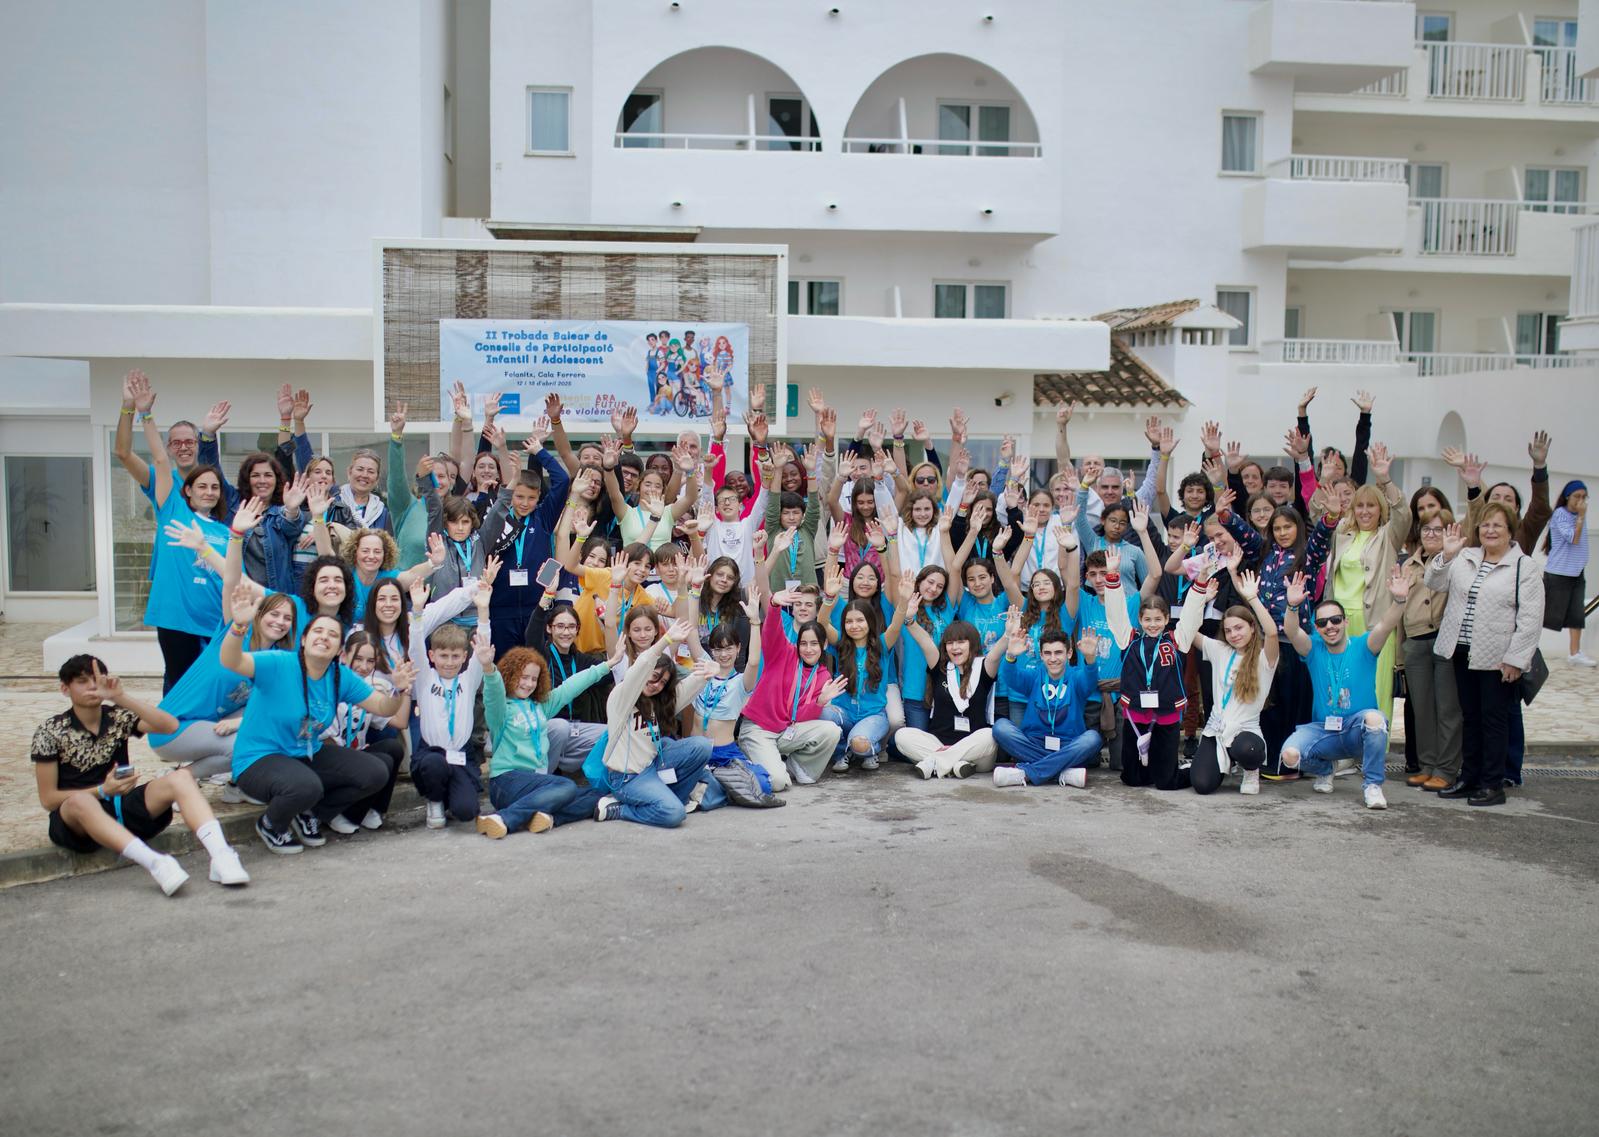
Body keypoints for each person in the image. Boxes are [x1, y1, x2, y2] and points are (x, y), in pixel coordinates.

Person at [220, 588, 415, 853]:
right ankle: (271, 825)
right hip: (258, 758)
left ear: (339, 650)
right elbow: (231, 661)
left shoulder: (339, 676)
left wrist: (399, 690)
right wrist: (239, 626)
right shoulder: (278, 663)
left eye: (333, 634)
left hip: (305, 752)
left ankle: (310, 812)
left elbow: (382, 707)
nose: (324, 637)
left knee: (375, 772)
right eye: (318, 631)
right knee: (306, 786)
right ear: (303, 639)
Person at [32, 655, 249, 893]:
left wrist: (120, 697)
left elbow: (170, 726)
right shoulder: (50, 731)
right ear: (65, 689)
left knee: (180, 778)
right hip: (76, 823)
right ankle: (156, 863)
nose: (92, 686)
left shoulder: (116, 716)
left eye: (97, 679)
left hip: (120, 807)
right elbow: (48, 799)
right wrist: (101, 790)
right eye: (82, 681)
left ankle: (221, 855)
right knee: (81, 801)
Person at [112, 371, 231, 691]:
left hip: (210, 606)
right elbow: (125, 453)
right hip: (176, 601)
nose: (184, 447)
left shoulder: (216, 502)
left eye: (190, 441)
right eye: (176, 442)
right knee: (179, 681)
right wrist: (134, 409)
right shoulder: (166, 490)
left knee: (211, 683)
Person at [1426, 509, 1545, 807]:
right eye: (1485, 525)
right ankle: (1469, 778)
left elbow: (1531, 618)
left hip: (1498, 657)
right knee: (1470, 717)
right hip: (1461, 650)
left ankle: (1492, 784)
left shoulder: (1524, 566)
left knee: (1494, 720)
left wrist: (1516, 659)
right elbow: (1434, 582)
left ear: (1510, 530)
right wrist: (1447, 555)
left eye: (1498, 526)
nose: (1490, 530)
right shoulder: (1466, 557)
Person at [1279, 566, 1410, 810]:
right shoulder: (1313, 649)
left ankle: (1372, 785)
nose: (1330, 626)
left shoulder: (1364, 646)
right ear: (1317, 627)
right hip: (1324, 730)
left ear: (1345, 621)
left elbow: (1385, 625)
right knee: (1289, 756)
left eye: (1335, 620)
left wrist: (1400, 600)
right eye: (1322, 622)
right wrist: (1292, 606)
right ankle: (1325, 769)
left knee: (1375, 719)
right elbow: (1292, 631)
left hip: (1356, 730)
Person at [592, 621, 731, 827]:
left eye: (662, 682)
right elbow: (641, 667)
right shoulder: (622, 697)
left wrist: (714, 668)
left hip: (653, 765)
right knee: (674, 814)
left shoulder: (658, 702)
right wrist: (665, 640)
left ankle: (674, 798)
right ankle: (618, 808)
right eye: (654, 677)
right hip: (628, 778)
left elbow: (687, 687)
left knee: (701, 746)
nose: (656, 685)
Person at [477, 638, 618, 838]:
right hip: (506, 781)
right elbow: (493, 694)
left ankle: (546, 817)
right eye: (523, 677)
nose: (528, 684)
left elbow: (570, 687)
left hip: (536, 784)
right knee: (566, 786)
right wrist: (488, 668)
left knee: (595, 794)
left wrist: (608, 665)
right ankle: (505, 818)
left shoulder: (540, 706)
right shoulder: (501, 710)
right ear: (509, 675)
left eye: (534, 679)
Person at [1174, 564, 1279, 796]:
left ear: (1252, 628)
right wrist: (1202, 601)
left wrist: (1252, 599)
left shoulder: (1265, 658)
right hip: (1216, 729)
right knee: (1202, 785)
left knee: (1247, 749)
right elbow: (1186, 630)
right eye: (1229, 630)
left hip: (1245, 732)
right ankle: (1224, 762)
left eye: (1239, 628)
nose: (1234, 634)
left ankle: (1250, 769)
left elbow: (1272, 632)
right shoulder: (1220, 649)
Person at [1324, 444, 1408, 719]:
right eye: (1359, 505)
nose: (1365, 511)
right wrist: (1325, 481)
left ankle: (1376, 740)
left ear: (1380, 508)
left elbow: (1403, 514)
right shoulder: (1342, 534)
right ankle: (1345, 740)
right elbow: (1318, 515)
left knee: (1375, 687)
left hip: (1375, 621)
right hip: (1341, 621)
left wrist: (1385, 478)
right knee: (1342, 686)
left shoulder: (1388, 536)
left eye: (1371, 505)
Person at [738, 592, 847, 789]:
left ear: (824, 645)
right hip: (759, 729)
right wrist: (774, 605)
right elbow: (772, 632)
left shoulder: (822, 676)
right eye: (803, 643)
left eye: (814, 644)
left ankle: (796, 767)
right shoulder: (783, 653)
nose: (808, 649)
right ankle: (748, 761)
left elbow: (800, 716)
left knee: (831, 730)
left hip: (785, 731)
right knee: (777, 783)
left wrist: (820, 702)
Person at [407, 587, 495, 829]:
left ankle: (451, 797)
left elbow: (482, 646)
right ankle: (434, 800)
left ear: (464, 656)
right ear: (432, 655)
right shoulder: (425, 678)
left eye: (455, 656)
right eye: (443, 656)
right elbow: (415, 644)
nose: (449, 662)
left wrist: (483, 610)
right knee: (434, 765)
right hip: (431, 754)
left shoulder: (468, 680)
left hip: (460, 755)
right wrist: (417, 610)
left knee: (467, 811)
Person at [893, 616, 1007, 779]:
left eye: (961, 642)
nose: (955, 647)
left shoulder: (983, 667)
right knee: (902, 735)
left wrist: (1008, 633)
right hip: (938, 743)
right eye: (950, 643)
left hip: (977, 753)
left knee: (989, 735)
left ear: (972, 644)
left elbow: (997, 653)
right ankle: (957, 765)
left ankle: (934, 762)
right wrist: (910, 620)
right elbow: (925, 641)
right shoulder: (940, 667)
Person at [1397, 510, 1462, 792]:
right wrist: (1400, 655)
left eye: (1438, 530)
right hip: (1415, 640)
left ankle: (1446, 769)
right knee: (1422, 709)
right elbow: (1400, 611)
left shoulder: (1457, 562)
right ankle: (1427, 765)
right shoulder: (1408, 565)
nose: (1431, 535)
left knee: (1447, 709)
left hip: (1445, 640)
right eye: (1426, 529)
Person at [990, 625, 1102, 789]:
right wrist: (1011, 655)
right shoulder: (1035, 675)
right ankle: (1060, 772)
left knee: (1093, 738)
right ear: (1041, 655)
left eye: (1058, 652)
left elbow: (1090, 681)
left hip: (1068, 745)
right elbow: (1011, 678)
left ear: (1069, 654)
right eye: (1048, 653)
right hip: (1033, 743)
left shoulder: (1076, 677)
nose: (1053, 658)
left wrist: (1090, 659)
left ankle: (1027, 772)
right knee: (1001, 727)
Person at [324, 631, 410, 833]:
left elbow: (400, 722)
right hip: (330, 760)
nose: (364, 667)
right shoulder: (329, 685)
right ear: (343, 656)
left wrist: (404, 689)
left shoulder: (368, 690)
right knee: (381, 762)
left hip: (354, 756)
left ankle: (370, 808)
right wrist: (354, 758)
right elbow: (326, 739)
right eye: (358, 658)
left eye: (370, 661)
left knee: (393, 748)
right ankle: (337, 813)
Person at [824, 594, 909, 772]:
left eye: (860, 620)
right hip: (844, 712)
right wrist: (829, 598)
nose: (854, 626)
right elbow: (822, 623)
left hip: (873, 715)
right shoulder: (840, 644)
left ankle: (868, 750)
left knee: (860, 745)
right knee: (823, 715)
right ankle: (842, 752)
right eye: (849, 621)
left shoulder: (882, 644)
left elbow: (896, 625)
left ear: (870, 621)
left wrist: (903, 600)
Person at [1543, 481, 1591, 666]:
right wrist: (1581, 516)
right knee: (1547, 615)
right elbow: (1573, 538)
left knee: (1577, 614)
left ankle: (1575, 653)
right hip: (1559, 572)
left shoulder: (1580, 516)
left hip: (1576, 572)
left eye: (1584, 497)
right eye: (1577, 496)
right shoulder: (1560, 514)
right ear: (1567, 497)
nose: (1581, 501)